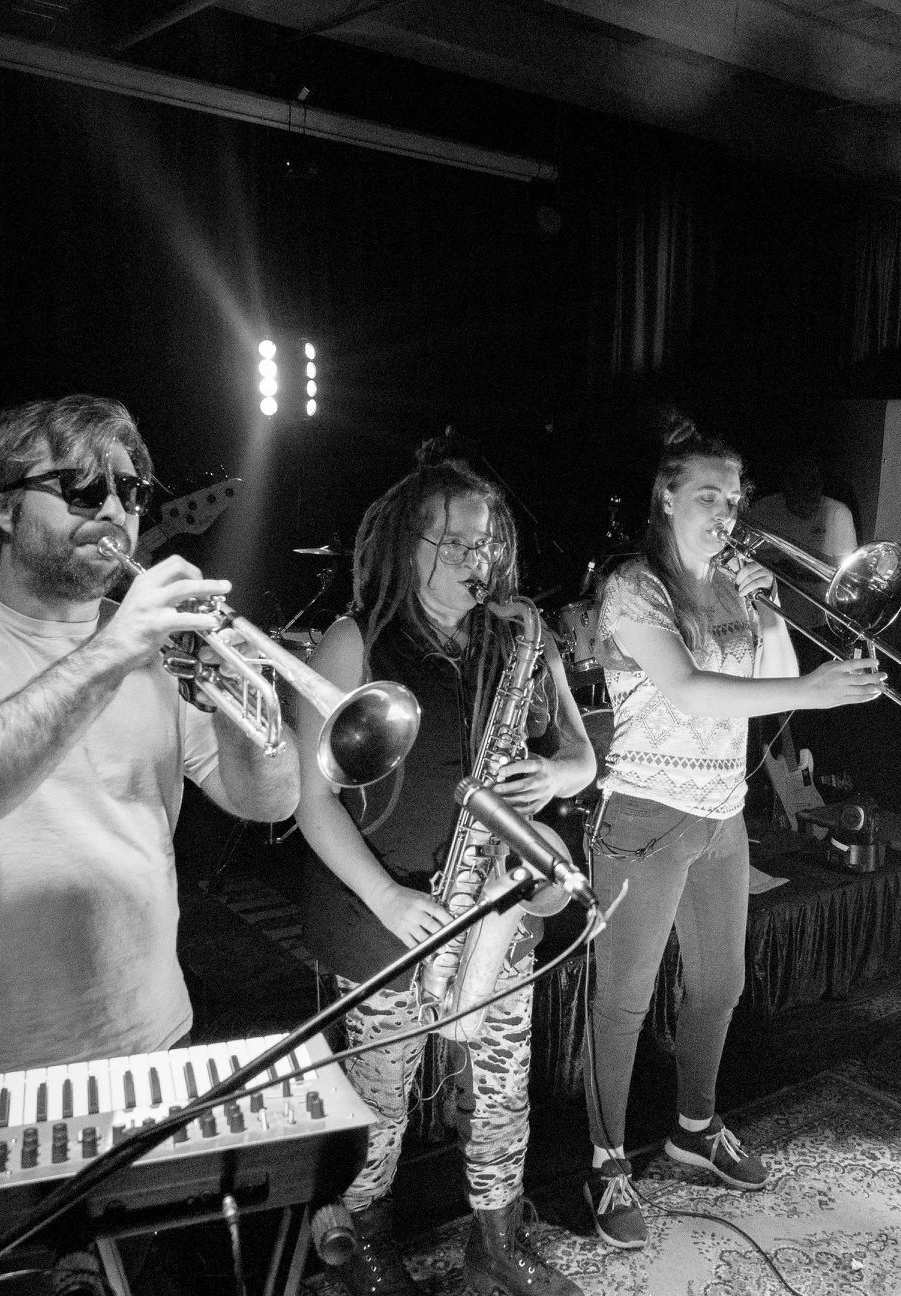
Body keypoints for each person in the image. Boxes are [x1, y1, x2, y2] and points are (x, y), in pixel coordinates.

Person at [0, 394, 300, 1089]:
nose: (113, 511)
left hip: (150, 1036)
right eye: (80, 488)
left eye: (130, 490)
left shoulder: (159, 647)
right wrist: (113, 650)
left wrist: (243, 702)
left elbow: (270, 801)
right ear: (3, 510)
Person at [291, 454, 594, 1296]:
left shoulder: (521, 636)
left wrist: (555, 775)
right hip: (384, 915)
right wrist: (387, 897)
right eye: (454, 542)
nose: (476, 558)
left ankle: (496, 1241)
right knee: (379, 1099)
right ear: (406, 543)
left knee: (503, 1091)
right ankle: (365, 1236)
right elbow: (309, 800)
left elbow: (581, 755)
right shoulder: (354, 641)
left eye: (487, 543)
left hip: (492, 906)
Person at [580, 420, 883, 1250]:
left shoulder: (732, 584)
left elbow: (777, 684)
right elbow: (685, 689)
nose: (725, 513)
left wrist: (770, 610)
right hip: (644, 815)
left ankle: (693, 1129)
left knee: (720, 986)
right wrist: (815, 690)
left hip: (720, 814)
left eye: (733, 499)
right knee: (624, 1000)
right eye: (708, 496)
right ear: (666, 498)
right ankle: (605, 1160)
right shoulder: (634, 586)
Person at [742, 455, 858, 631]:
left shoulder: (837, 512)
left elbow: (846, 573)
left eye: (814, 485)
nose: (808, 492)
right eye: (800, 486)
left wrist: (795, 565)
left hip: (822, 619)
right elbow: (748, 561)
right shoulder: (763, 509)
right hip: (774, 619)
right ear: (787, 486)